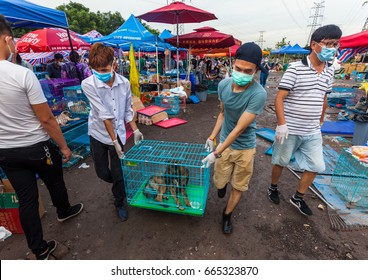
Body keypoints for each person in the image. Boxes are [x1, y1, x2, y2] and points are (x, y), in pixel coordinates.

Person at [0, 15, 83, 260]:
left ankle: (39, 249)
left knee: (26, 199)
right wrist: (64, 146)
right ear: (8, 39)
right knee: (55, 180)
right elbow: (46, 119)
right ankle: (64, 210)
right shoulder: (22, 75)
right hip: (36, 146)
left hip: (6, 151)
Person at [267, 25, 342, 216]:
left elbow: (324, 96)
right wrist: (282, 124)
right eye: (328, 44)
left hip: (312, 130)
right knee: (280, 162)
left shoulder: (330, 70)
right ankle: (273, 187)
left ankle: (297, 197)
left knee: (317, 166)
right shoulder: (295, 68)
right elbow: (279, 97)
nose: (332, 48)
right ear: (314, 44)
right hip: (290, 128)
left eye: (335, 44)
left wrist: (321, 119)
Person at [202, 42, 267, 234]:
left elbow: (238, 129)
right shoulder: (223, 85)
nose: (242, 73)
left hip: (245, 147)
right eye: (238, 68)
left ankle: (227, 215)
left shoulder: (258, 94)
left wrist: (216, 152)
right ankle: (222, 187)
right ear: (233, 64)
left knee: (239, 185)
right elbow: (222, 113)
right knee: (220, 182)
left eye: (248, 71)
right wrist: (212, 136)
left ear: (256, 71)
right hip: (223, 143)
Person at [81, 43, 144, 222]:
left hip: (119, 133)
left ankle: (119, 200)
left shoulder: (123, 83)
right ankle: (121, 181)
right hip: (98, 133)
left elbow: (127, 110)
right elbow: (104, 115)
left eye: (104, 69)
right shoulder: (88, 84)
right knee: (102, 172)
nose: (101, 73)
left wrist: (135, 129)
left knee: (117, 172)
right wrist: (113, 142)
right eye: (97, 70)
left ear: (113, 63)